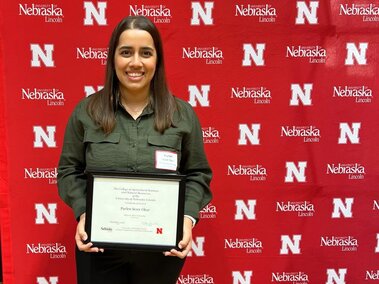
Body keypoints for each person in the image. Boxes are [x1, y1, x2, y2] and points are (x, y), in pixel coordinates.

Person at [57, 16, 212, 284]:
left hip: (163, 249)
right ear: (113, 58)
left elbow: (198, 173)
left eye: (146, 53)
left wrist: (186, 219)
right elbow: (69, 171)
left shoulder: (182, 114)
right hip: (98, 247)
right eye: (126, 52)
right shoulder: (86, 112)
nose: (136, 63)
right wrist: (83, 212)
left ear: (157, 60)